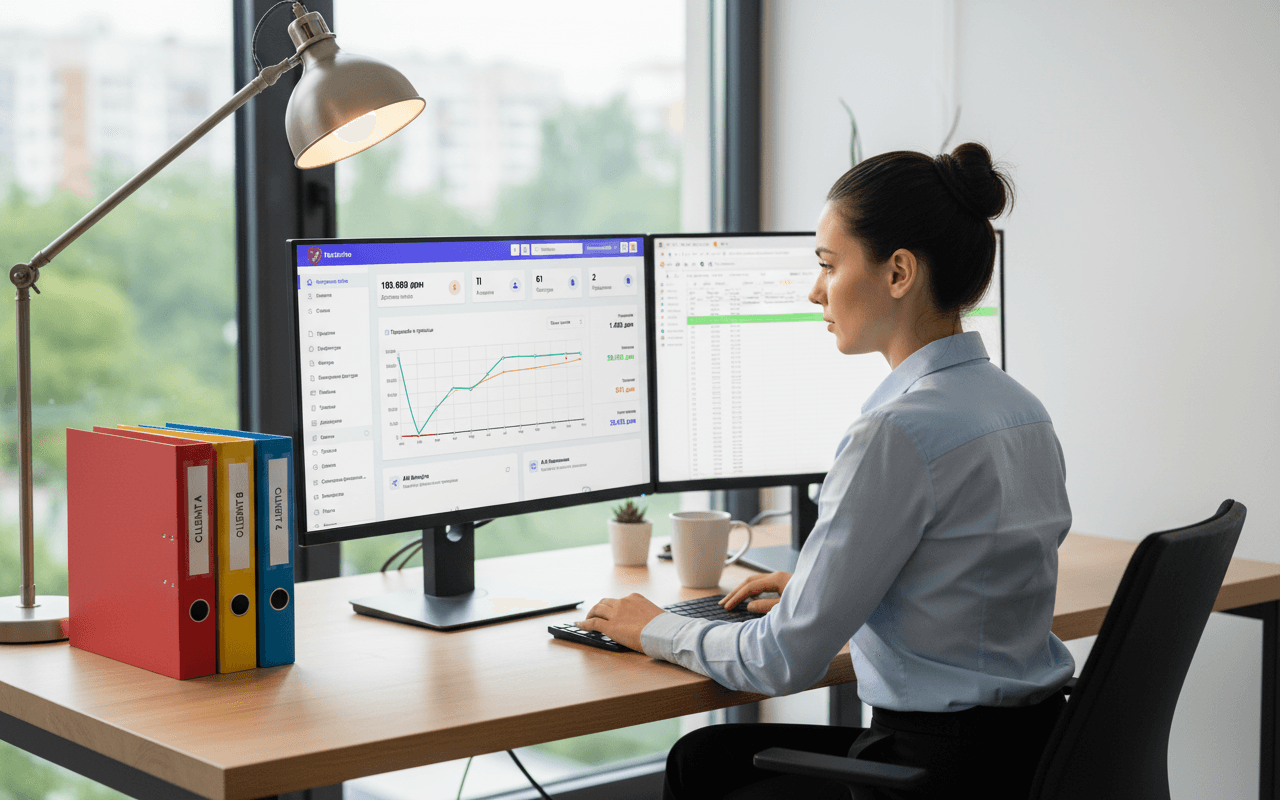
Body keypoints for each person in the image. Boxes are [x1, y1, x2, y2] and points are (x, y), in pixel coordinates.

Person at [577, 142, 1074, 799]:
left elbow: (779, 661)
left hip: (931, 772)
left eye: (828, 265)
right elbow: (963, 590)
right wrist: (826, 590)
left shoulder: (895, 432)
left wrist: (653, 627)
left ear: (898, 272)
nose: (815, 291)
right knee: (714, 756)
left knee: (704, 764)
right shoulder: (1022, 411)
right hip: (1029, 760)